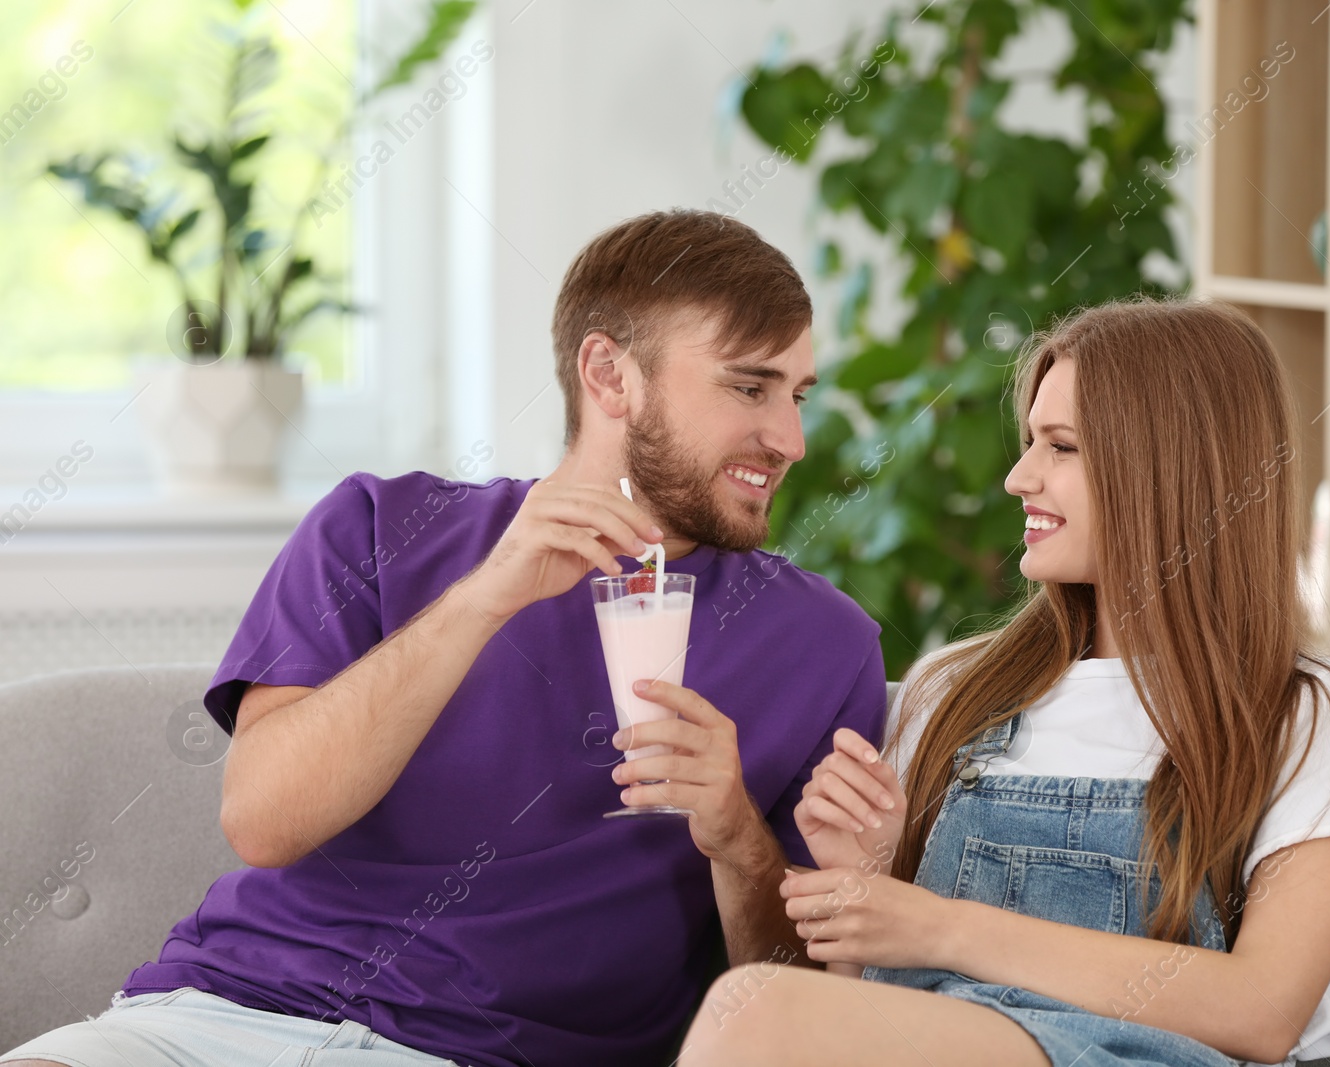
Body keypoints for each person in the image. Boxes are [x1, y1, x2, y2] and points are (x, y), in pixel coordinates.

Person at [0, 210, 887, 1067]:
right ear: (610, 375)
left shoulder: (826, 646)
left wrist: (735, 833)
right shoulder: (377, 525)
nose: (791, 439)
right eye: (749, 386)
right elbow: (262, 820)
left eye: (797, 393)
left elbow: (795, 1009)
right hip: (212, 1014)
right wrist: (480, 602)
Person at [680, 298, 1330, 1067]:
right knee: (762, 1012)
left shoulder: (1307, 709)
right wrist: (862, 875)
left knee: (752, 1010)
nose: (1017, 476)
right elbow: (875, 1011)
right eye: (1031, 441)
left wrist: (941, 925)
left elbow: (1264, 1009)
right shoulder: (954, 688)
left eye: (1060, 447)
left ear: (1172, 470)